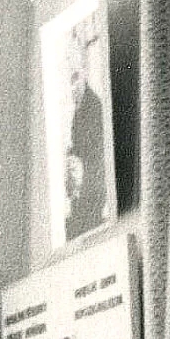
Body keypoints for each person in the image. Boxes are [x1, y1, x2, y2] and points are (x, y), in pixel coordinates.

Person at [63, 33, 109, 239]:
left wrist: (78, 164)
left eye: (75, 78)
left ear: (84, 73)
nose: (71, 88)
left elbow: (98, 159)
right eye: (69, 80)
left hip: (91, 204)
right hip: (81, 201)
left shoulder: (95, 108)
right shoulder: (78, 112)